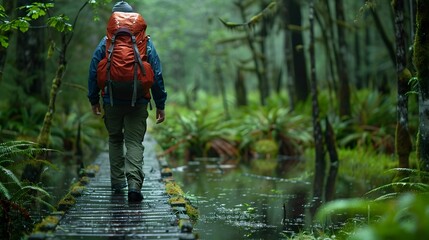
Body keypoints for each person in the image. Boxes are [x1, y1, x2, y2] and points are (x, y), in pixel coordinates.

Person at [87, 1, 167, 202]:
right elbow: (156, 74)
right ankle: (134, 186)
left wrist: (94, 99)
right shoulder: (145, 43)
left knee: (115, 139)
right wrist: (161, 104)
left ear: (113, 19)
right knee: (133, 141)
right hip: (138, 100)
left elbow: (93, 71)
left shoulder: (105, 42)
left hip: (111, 100)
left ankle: (116, 184)